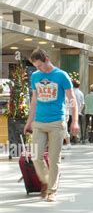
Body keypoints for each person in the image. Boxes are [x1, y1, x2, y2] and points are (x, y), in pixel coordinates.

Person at [23, 48, 79, 202]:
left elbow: (72, 99)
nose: (38, 69)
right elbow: (34, 100)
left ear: (47, 59)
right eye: (36, 67)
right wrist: (29, 121)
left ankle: (52, 190)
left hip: (57, 122)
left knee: (54, 159)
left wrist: (74, 121)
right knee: (35, 155)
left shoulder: (61, 75)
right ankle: (47, 180)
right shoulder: (35, 76)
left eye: (40, 65)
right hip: (39, 122)